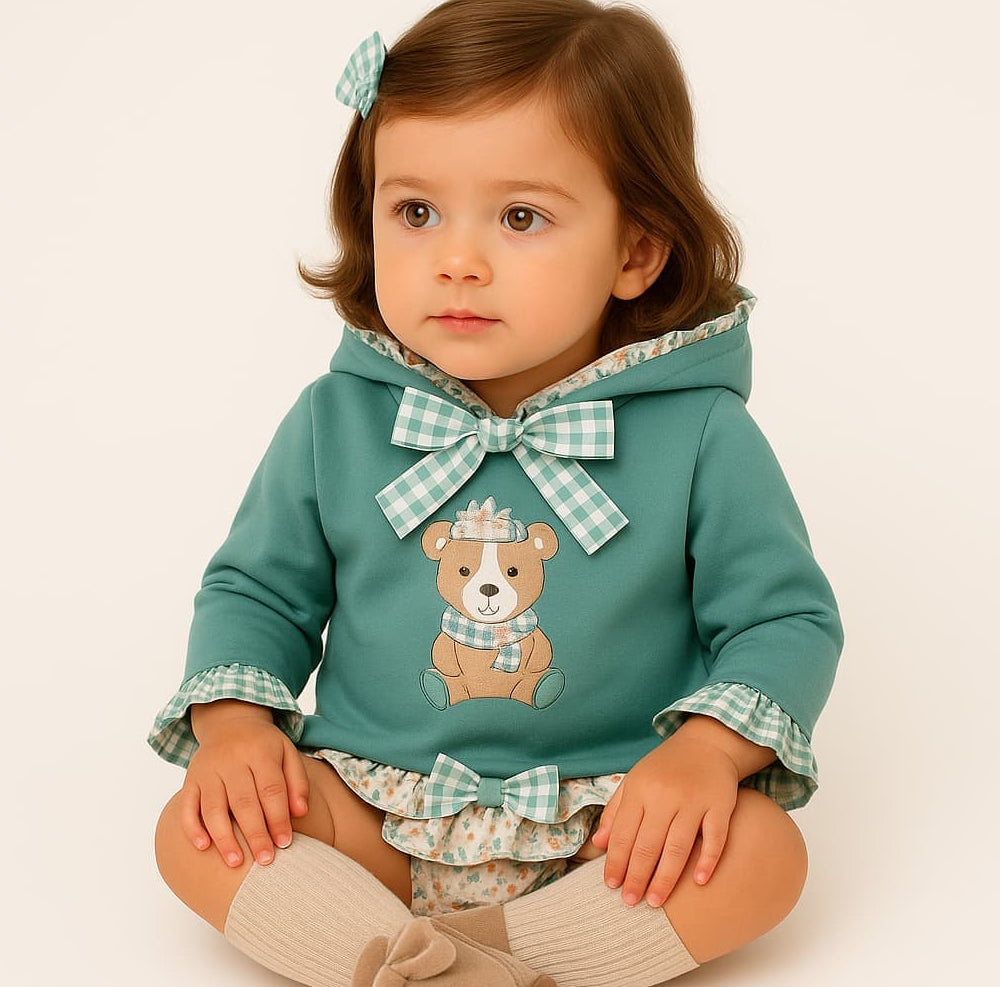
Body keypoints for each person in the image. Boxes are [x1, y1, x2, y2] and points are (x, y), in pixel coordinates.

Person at [149, 1, 843, 984]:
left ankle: (453, 961)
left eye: (520, 217)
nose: (457, 261)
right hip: (375, 812)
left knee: (762, 855)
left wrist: (705, 754)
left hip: (610, 827)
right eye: (415, 212)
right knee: (197, 831)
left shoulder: (699, 435)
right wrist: (233, 730)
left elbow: (784, 620)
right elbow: (256, 593)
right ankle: (432, 956)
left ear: (635, 251)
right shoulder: (335, 420)